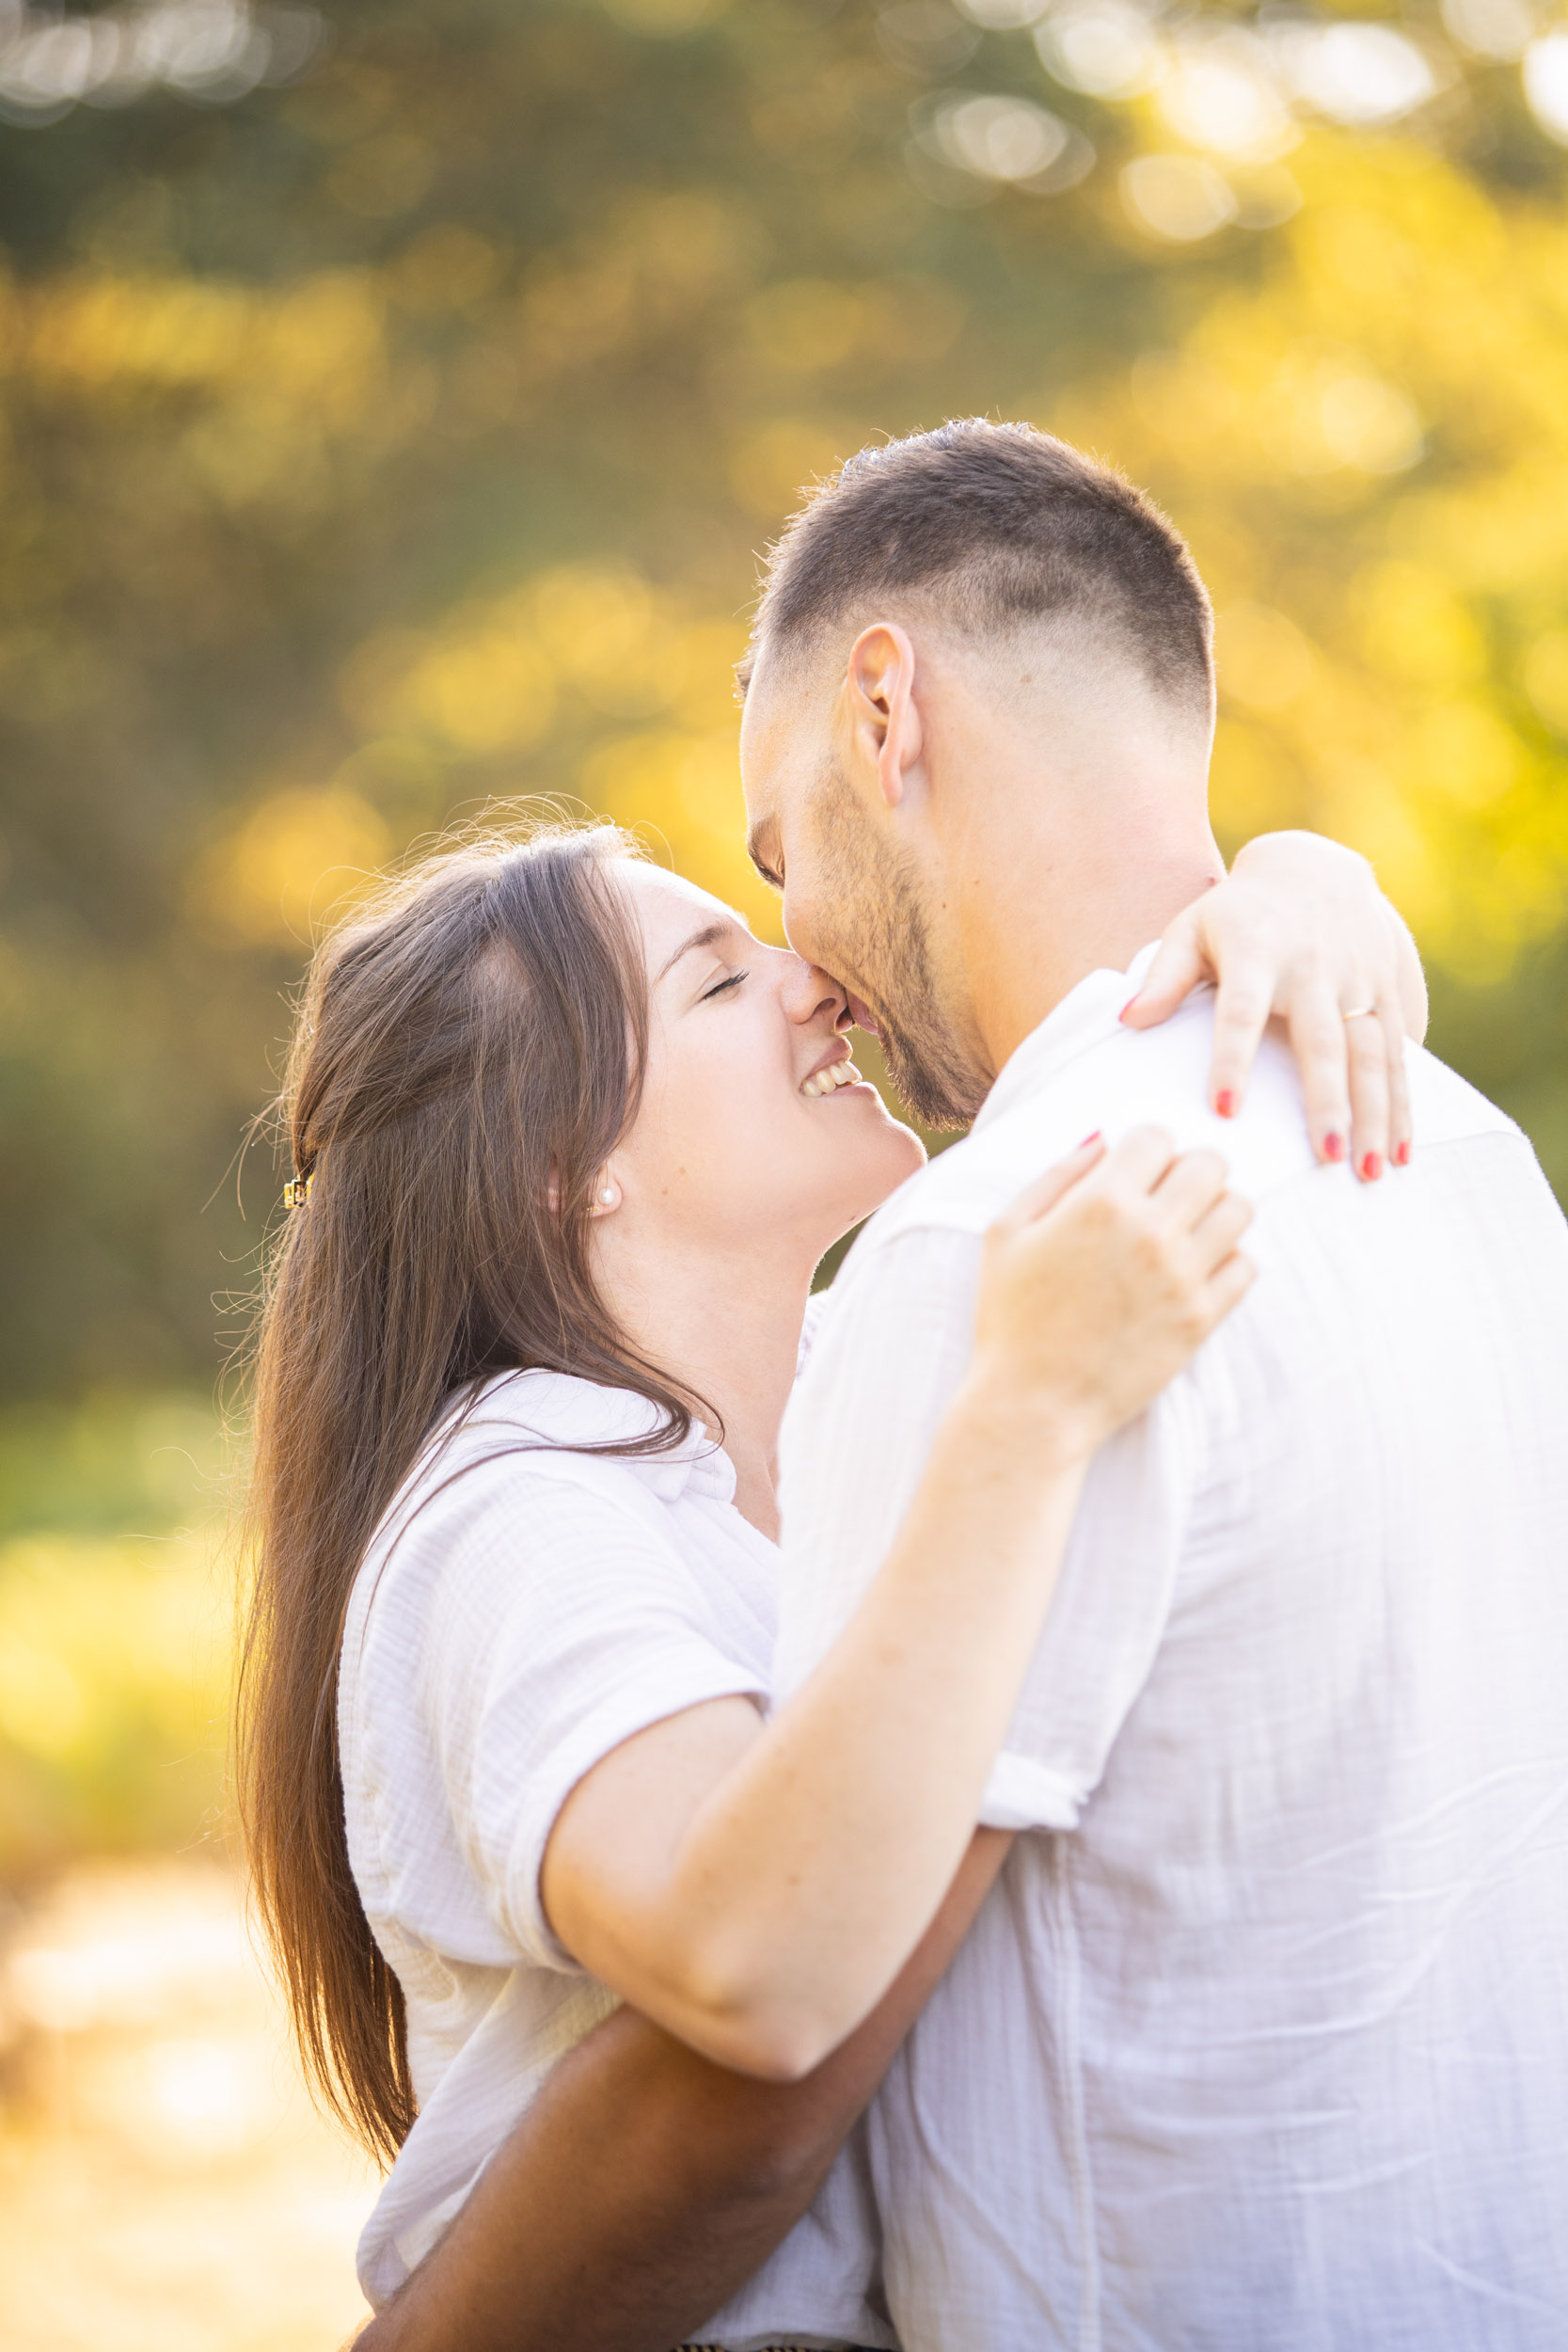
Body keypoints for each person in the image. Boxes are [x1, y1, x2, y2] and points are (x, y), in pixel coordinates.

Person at [232, 806, 1427, 2352]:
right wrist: (1030, 1412)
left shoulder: (848, 1383)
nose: (815, 981)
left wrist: (1306, 879)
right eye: (720, 983)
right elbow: (756, 1966)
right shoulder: (515, 1510)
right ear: (561, 1168)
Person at [732, 421, 1568, 2348]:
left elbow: (789, 2053)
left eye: (777, 849)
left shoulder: (989, 1249)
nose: (800, 958)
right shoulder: (1480, 1167)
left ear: (883, 711)